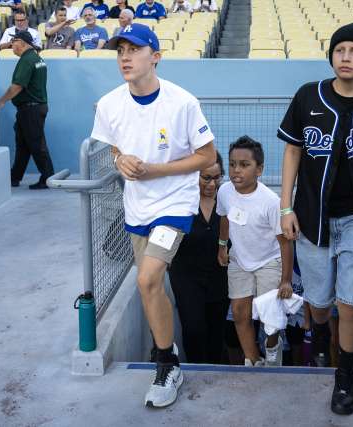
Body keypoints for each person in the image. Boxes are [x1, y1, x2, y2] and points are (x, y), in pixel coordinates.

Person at [91, 23, 216, 407]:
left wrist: (155, 170)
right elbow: (113, 147)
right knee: (151, 288)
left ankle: (167, 364)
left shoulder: (182, 102)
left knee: (147, 278)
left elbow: (208, 156)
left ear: (155, 57)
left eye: (134, 49)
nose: (125, 57)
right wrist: (120, 158)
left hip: (175, 205)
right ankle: (167, 350)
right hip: (137, 207)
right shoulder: (109, 104)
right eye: (119, 51)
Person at [277, 23, 353, 415]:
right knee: (321, 303)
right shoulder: (309, 95)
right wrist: (285, 207)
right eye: (339, 49)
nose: (346, 56)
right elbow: (292, 152)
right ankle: (320, 332)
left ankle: (347, 374)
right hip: (311, 217)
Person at [216, 136, 294, 367]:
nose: (236, 170)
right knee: (240, 313)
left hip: (269, 261)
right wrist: (222, 246)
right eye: (232, 164)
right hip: (239, 260)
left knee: (270, 317)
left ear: (259, 169)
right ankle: (252, 359)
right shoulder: (225, 192)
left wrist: (286, 280)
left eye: (244, 165)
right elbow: (224, 218)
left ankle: (272, 349)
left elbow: (285, 243)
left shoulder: (271, 201)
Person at [168, 151, 228, 364]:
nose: (212, 184)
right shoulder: (181, 202)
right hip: (187, 277)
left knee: (216, 332)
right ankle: (195, 371)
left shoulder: (227, 199)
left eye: (217, 177)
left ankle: (215, 374)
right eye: (206, 178)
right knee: (194, 329)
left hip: (219, 277)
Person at [0, 31, 55, 190]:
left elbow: (17, 86)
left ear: (22, 42)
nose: (11, 45)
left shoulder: (27, 60)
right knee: (23, 145)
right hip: (33, 108)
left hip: (31, 109)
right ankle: (15, 177)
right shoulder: (37, 58)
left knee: (37, 145)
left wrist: (2, 101)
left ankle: (48, 178)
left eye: (13, 41)